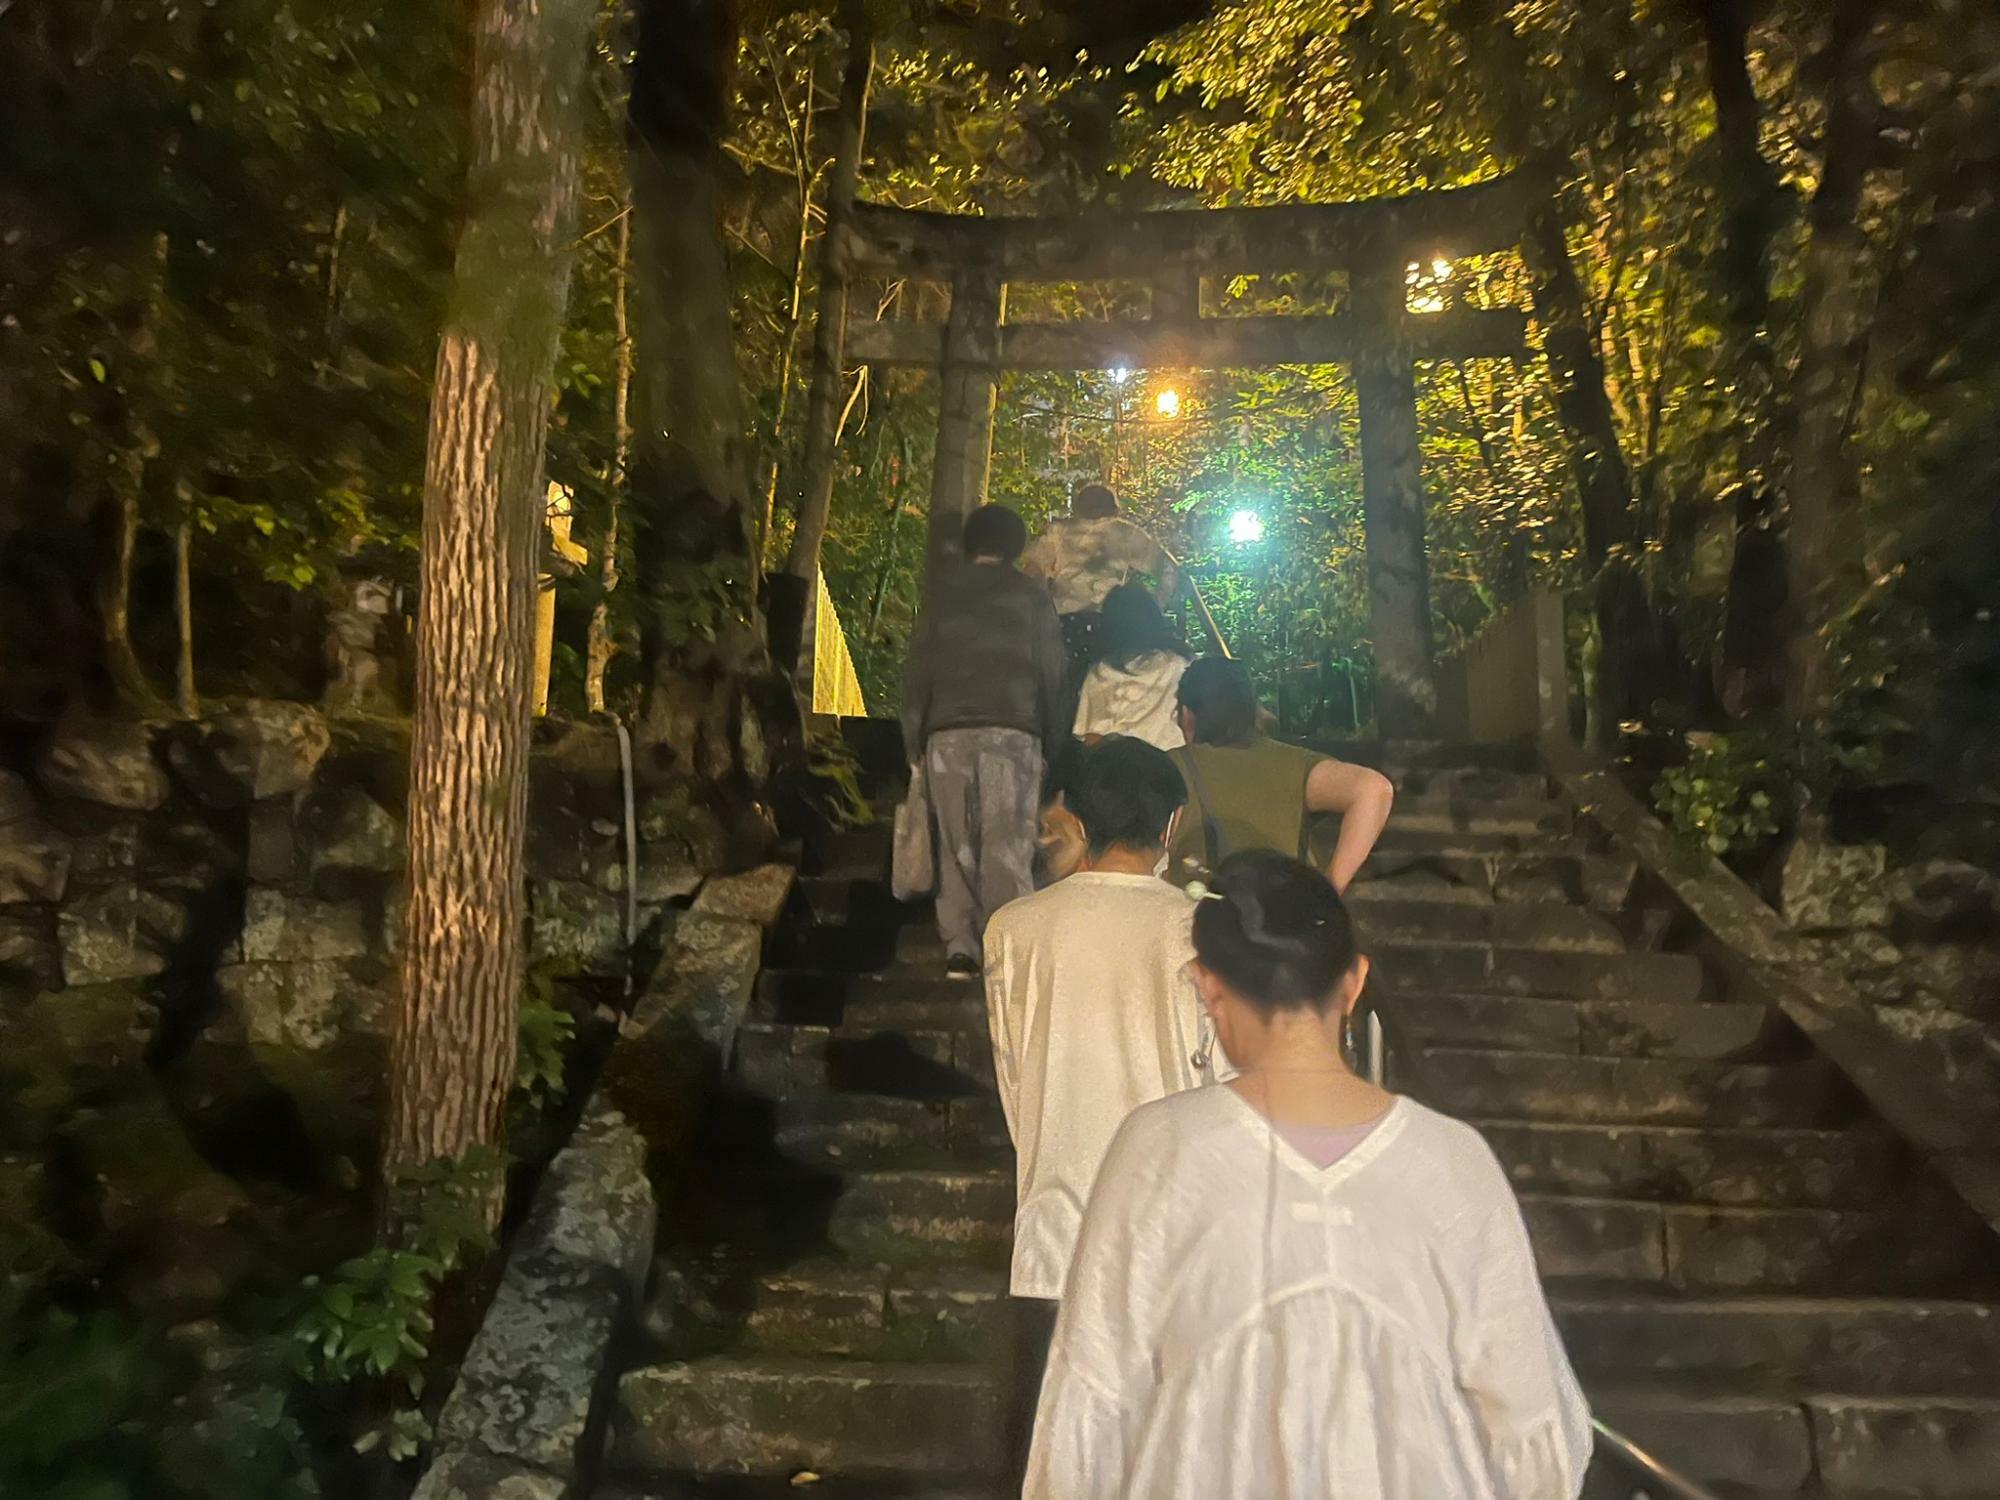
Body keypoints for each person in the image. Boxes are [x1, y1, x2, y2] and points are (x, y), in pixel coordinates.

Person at [1026, 851, 1592, 1500]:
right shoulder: (1453, 1160)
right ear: (1353, 984)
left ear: (1209, 989)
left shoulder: (1161, 1148)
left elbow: (1092, 1397)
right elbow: (1532, 1419)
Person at [982, 736, 1216, 1486]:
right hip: (1178, 1243)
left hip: (1055, 1236)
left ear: (1075, 819)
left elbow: (1014, 1079)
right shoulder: (1199, 930)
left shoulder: (1013, 929)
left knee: (1062, 1466)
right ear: (1172, 824)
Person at [901, 503, 1067, 978]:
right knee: (1006, 841)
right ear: (1015, 546)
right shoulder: (1032, 598)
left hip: (946, 733)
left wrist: (913, 738)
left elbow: (918, 673)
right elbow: (1052, 672)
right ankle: (1006, 943)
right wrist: (1054, 741)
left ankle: (959, 945)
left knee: (955, 843)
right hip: (1012, 732)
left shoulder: (942, 596)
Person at [1167, 654, 1394, 893]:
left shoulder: (1173, 765)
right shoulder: (1295, 763)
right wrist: (1331, 888)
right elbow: (1374, 788)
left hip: (1200, 917)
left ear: (1187, 714)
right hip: (1283, 918)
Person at [1021, 483, 1182, 683]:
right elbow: (1168, 569)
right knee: (1105, 680)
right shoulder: (1124, 532)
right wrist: (1156, 605)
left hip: (1062, 622)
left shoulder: (1059, 531)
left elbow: (1032, 572)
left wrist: (1038, 610)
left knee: (1062, 683)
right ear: (1114, 508)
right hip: (1108, 621)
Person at [1071, 583, 1193, 750]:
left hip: (1119, 768)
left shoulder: (1102, 671)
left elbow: (1090, 736)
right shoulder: (1180, 665)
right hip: (1173, 764)